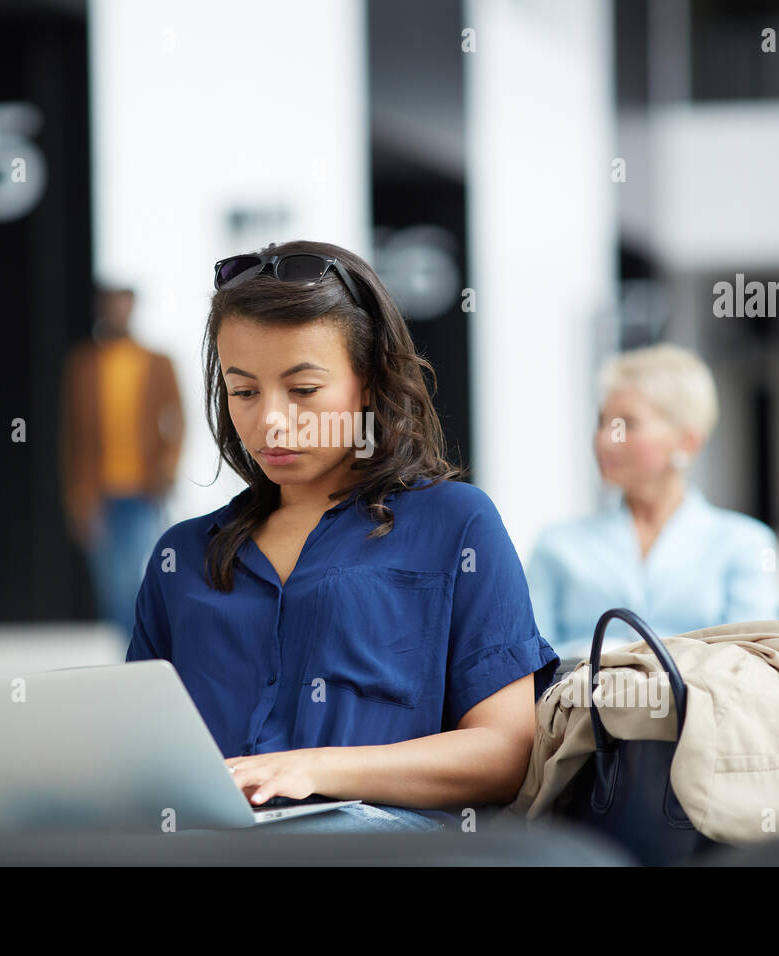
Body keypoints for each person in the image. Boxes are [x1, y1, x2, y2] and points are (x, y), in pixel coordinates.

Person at [125, 240, 559, 833]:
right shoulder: (184, 555)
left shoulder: (456, 524)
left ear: (372, 382)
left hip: (369, 837)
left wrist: (317, 770)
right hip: (209, 840)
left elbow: (503, 752)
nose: (271, 421)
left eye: (303, 390)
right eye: (244, 391)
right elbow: (141, 754)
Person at [527, 343, 779, 664]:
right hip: (583, 710)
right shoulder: (555, 545)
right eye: (602, 422)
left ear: (688, 441)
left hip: (705, 712)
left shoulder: (746, 543)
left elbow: (758, 660)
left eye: (627, 424)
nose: (606, 439)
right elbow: (529, 661)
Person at [60, 286, 183, 637]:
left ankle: (139, 654)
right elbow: (70, 436)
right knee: (110, 584)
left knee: (132, 579)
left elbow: (177, 420)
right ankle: (131, 653)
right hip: (98, 491)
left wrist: (168, 468)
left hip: (143, 490)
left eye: (123, 305)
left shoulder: (157, 362)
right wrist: (76, 495)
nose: (117, 312)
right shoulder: (83, 363)